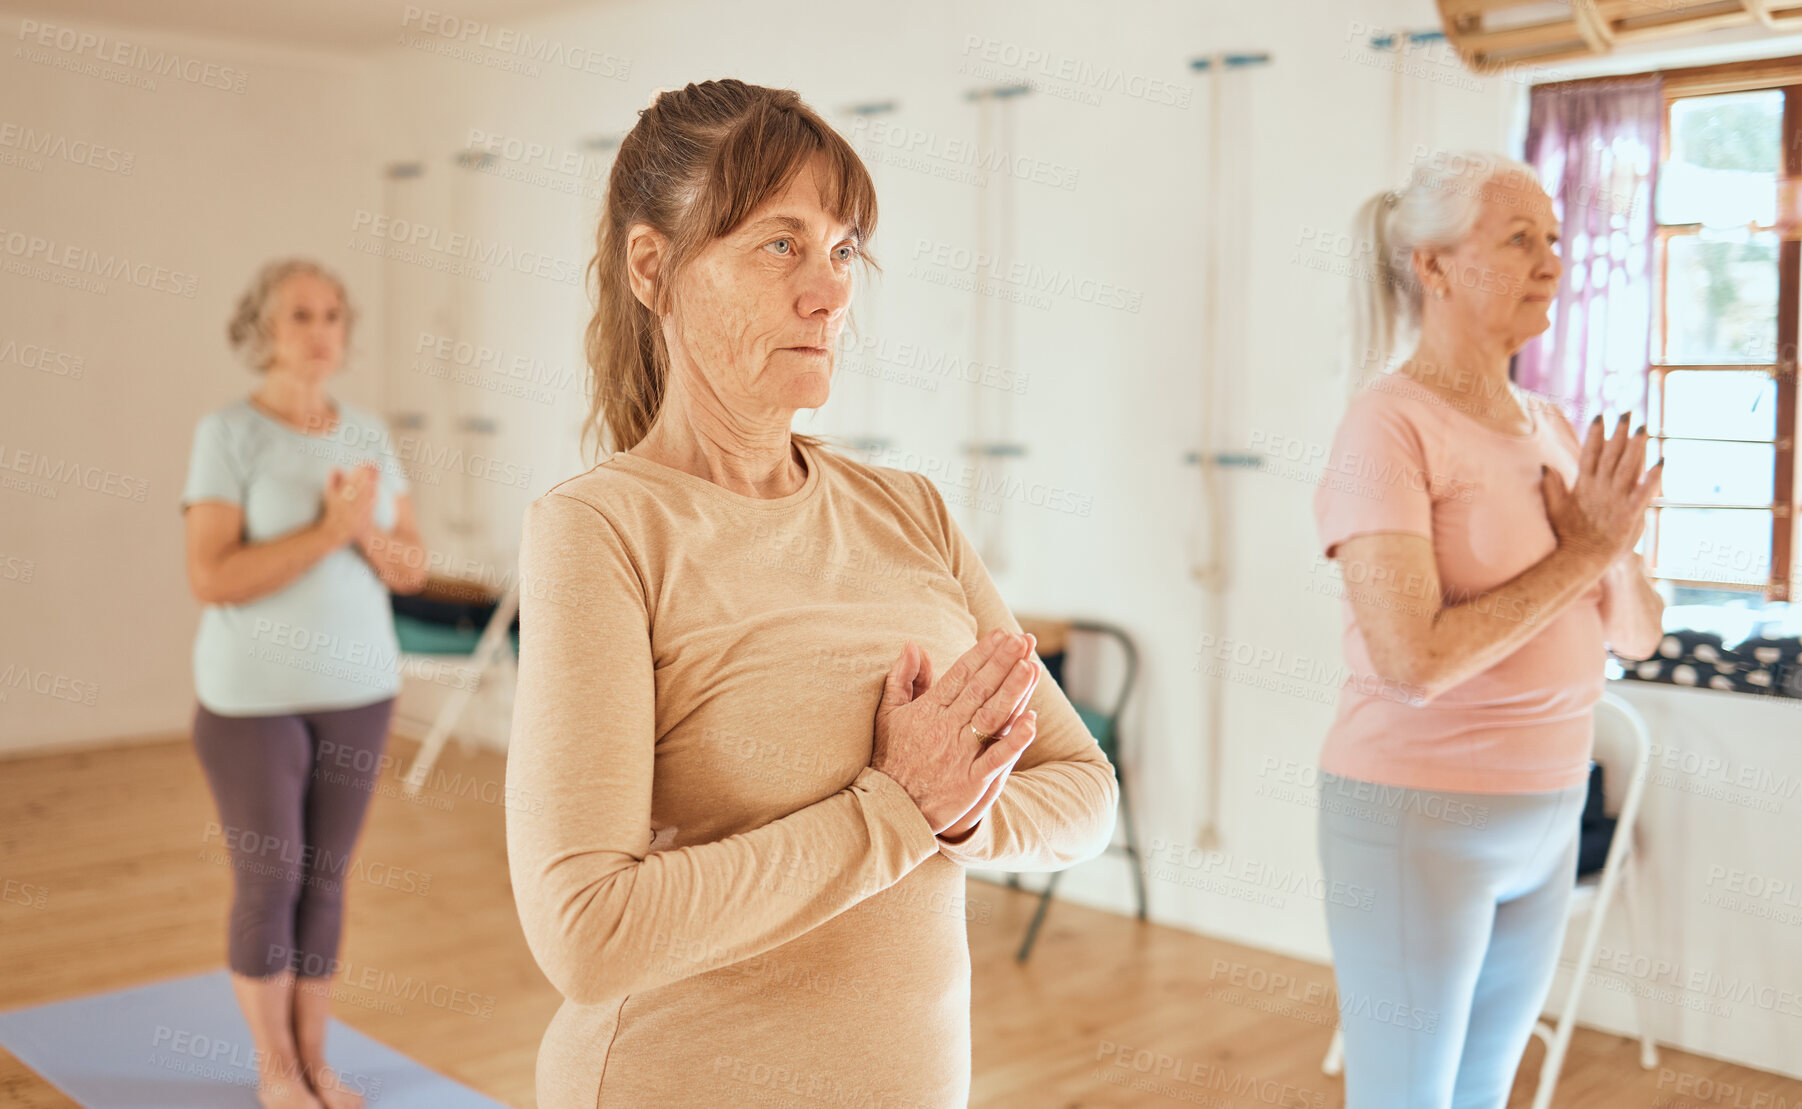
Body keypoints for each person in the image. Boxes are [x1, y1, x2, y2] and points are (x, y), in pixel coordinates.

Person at [504, 79, 1120, 1109]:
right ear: (652, 267)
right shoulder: (601, 528)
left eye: (841, 251)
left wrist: (959, 815)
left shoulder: (909, 509)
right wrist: (896, 810)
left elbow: (1082, 793)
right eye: (779, 244)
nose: (829, 292)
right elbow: (588, 930)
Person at [1311, 150, 1666, 1109]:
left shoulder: (1551, 424)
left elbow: (1637, 633)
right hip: (1416, 819)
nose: (1553, 262)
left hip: (1549, 810)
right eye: (1519, 241)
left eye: (1554, 239)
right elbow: (1412, 660)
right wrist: (1584, 553)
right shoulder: (1388, 426)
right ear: (1432, 265)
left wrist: (1613, 547)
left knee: (1483, 1095)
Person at [180, 258, 427, 1109]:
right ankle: (274, 1065)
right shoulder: (229, 434)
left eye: (331, 314)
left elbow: (412, 565)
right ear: (262, 331)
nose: (320, 330)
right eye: (299, 315)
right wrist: (328, 531)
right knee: (272, 877)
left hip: (361, 688)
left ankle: (318, 1058)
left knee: (327, 877)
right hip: (252, 699)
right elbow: (211, 575)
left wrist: (363, 536)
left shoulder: (367, 434)